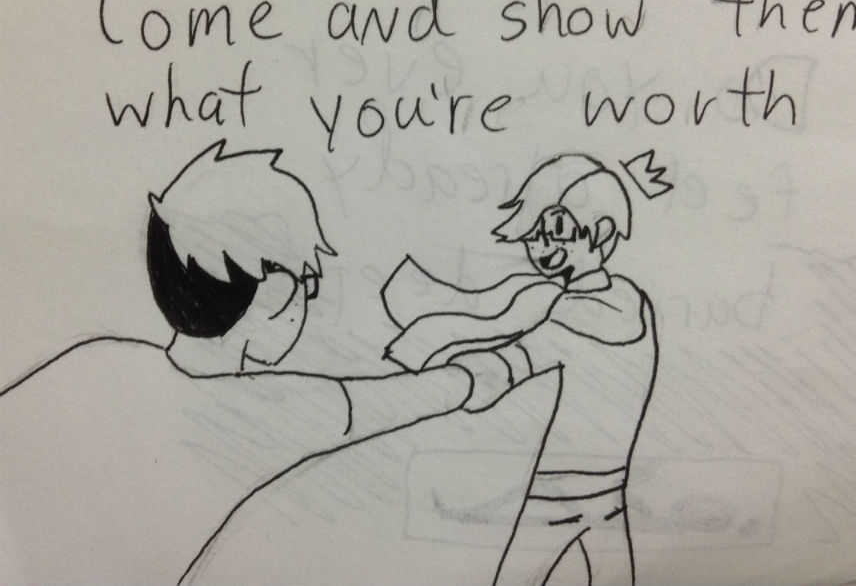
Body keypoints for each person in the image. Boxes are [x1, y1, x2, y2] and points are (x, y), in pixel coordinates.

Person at [0, 141, 479, 585]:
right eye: (308, 283)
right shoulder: (263, 410)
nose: (306, 299)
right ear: (276, 291)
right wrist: (497, 365)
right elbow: (410, 398)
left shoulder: (95, 357)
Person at [382, 153, 668, 585]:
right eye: (534, 237)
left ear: (602, 232)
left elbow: (514, 362)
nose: (542, 248)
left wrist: (459, 381)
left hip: (557, 496)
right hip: (610, 492)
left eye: (557, 231)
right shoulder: (635, 303)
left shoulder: (568, 315)